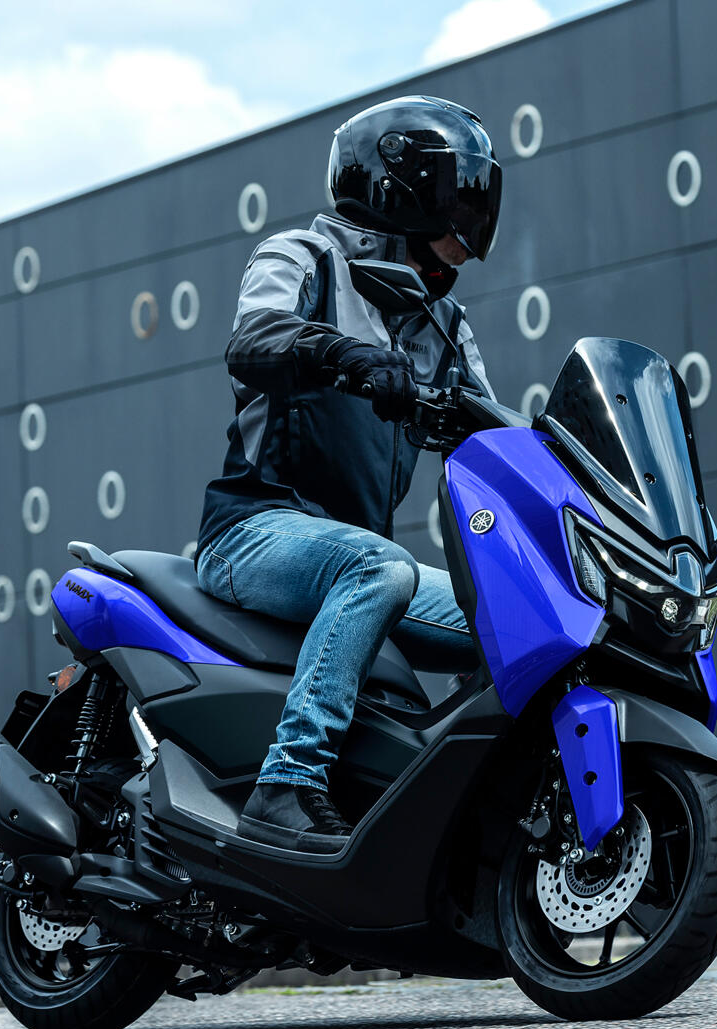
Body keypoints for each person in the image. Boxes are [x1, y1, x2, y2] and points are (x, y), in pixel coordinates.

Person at [194, 95, 505, 853]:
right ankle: (286, 783)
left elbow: (495, 432)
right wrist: (344, 355)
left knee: (508, 621)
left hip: (357, 558)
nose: (462, 249)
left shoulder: (443, 326)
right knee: (380, 565)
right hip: (255, 529)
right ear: (405, 198)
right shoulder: (303, 258)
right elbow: (254, 339)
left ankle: (466, 827)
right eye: (454, 219)